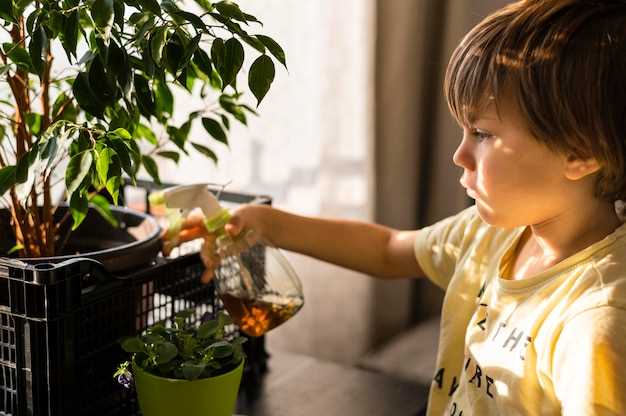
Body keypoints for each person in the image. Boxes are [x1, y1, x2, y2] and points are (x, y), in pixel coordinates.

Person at [163, 0, 626, 414]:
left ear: (582, 152)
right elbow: (388, 250)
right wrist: (267, 223)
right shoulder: (494, 233)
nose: (459, 155)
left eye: (483, 134)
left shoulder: (595, 323)